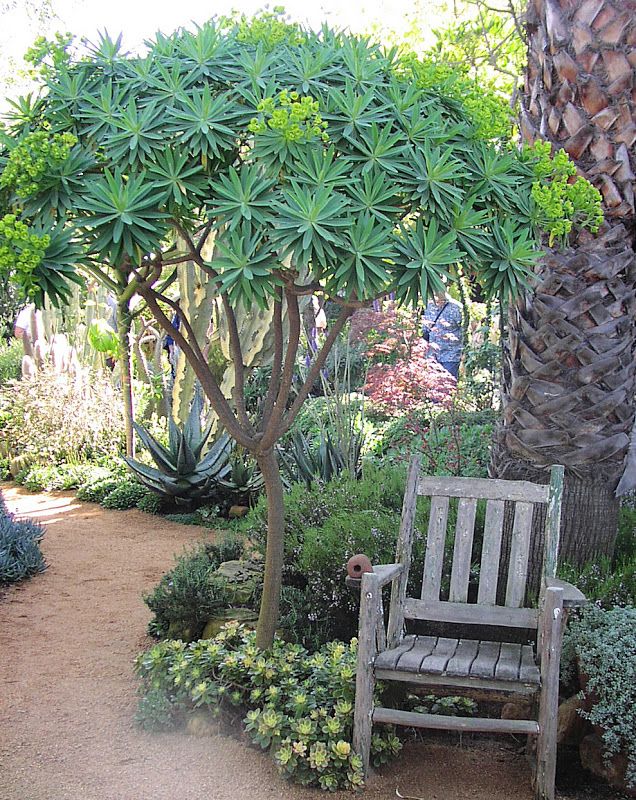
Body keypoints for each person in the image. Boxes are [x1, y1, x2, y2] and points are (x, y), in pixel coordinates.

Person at [422, 291, 463, 379]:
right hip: (431, 355)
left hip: (451, 355)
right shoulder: (428, 306)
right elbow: (424, 329)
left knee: (448, 384)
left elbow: (465, 329)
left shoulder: (456, 307)